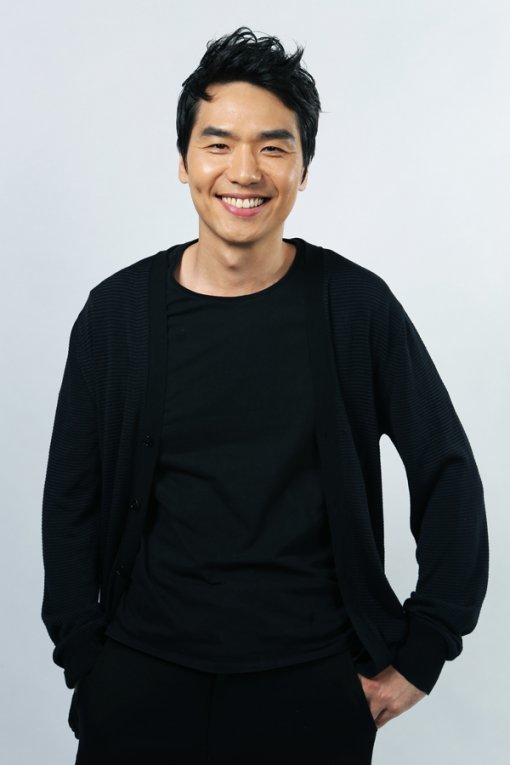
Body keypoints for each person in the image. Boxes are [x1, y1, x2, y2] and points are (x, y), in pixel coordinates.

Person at [41, 26, 489, 765]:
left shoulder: (356, 308)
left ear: (303, 167)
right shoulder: (116, 316)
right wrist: (86, 658)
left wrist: (425, 649)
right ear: (184, 161)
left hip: (311, 687)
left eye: (273, 147)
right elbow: (70, 497)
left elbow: (447, 471)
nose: (244, 171)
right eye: (218, 144)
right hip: (140, 680)